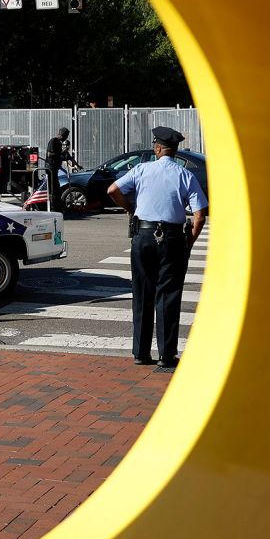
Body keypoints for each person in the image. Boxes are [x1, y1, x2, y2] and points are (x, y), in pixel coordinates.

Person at [106, 126, 208, 368]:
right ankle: (166, 355)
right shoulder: (186, 175)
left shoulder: (142, 169)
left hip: (143, 234)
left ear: (158, 148)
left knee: (142, 292)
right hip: (172, 238)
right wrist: (188, 243)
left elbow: (113, 190)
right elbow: (200, 215)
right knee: (169, 295)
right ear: (175, 150)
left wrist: (130, 208)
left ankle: (141, 353)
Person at [44, 126, 73, 212]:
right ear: (62, 134)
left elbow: (59, 155)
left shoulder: (59, 143)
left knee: (56, 188)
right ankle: (53, 207)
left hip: (55, 168)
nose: (66, 138)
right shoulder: (53, 141)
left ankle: (57, 206)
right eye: (66, 136)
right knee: (53, 188)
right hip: (50, 168)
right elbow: (50, 154)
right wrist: (59, 155)